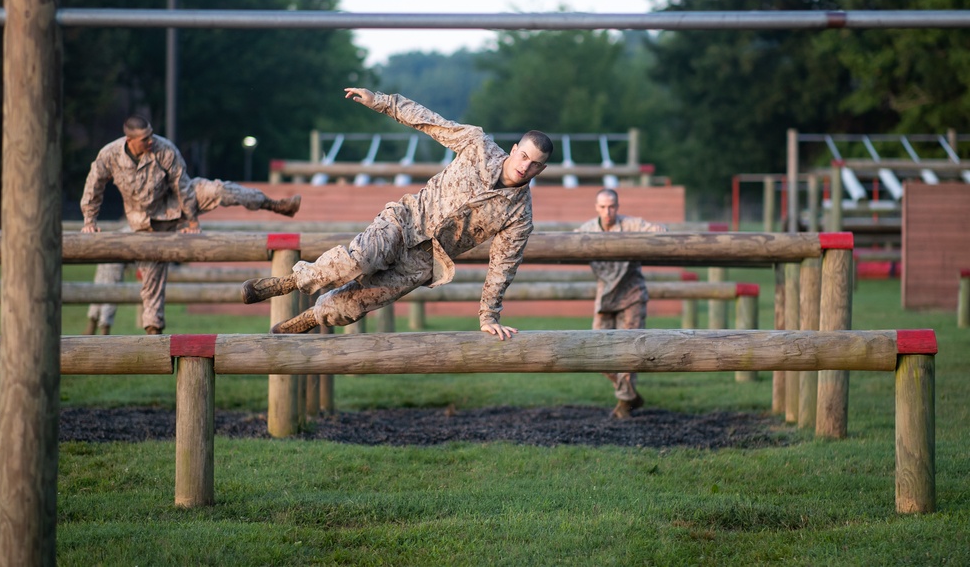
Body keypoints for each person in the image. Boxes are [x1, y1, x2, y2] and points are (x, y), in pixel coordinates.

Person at [241, 87, 553, 339]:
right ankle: (288, 283)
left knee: (353, 305)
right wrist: (382, 102)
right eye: (523, 156)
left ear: (542, 168)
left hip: (425, 260)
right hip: (405, 220)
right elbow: (430, 121)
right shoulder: (477, 145)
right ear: (514, 149)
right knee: (356, 259)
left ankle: (306, 320)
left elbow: (503, 265)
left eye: (534, 164)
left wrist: (489, 315)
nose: (525, 166)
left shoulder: (520, 216)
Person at [80, 114, 302, 335]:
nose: (150, 141)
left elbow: (182, 185)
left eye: (151, 135)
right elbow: (94, 185)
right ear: (130, 140)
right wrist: (90, 221)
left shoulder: (164, 148)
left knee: (220, 189)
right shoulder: (109, 154)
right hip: (146, 223)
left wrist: (192, 221)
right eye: (145, 138)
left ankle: (272, 204)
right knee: (151, 281)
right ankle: (153, 333)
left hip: (177, 203)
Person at [575, 188, 666, 418]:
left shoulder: (631, 225)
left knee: (630, 352)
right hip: (605, 298)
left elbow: (657, 230)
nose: (608, 211)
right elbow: (569, 239)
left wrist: (658, 230)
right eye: (603, 207)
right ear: (596, 208)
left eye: (612, 206)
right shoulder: (588, 230)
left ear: (618, 206)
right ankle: (631, 395)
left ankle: (625, 405)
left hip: (632, 296)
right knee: (595, 352)